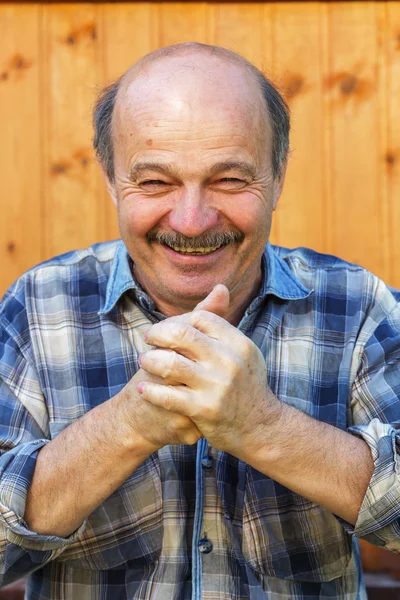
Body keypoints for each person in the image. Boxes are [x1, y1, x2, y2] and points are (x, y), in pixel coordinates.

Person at [0, 42, 399, 600]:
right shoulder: (36, 309)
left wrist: (263, 427)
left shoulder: (359, 307)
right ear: (113, 178)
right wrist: (130, 425)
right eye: (156, 182)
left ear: (278, 176)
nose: (191, 221)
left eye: (231, 180)